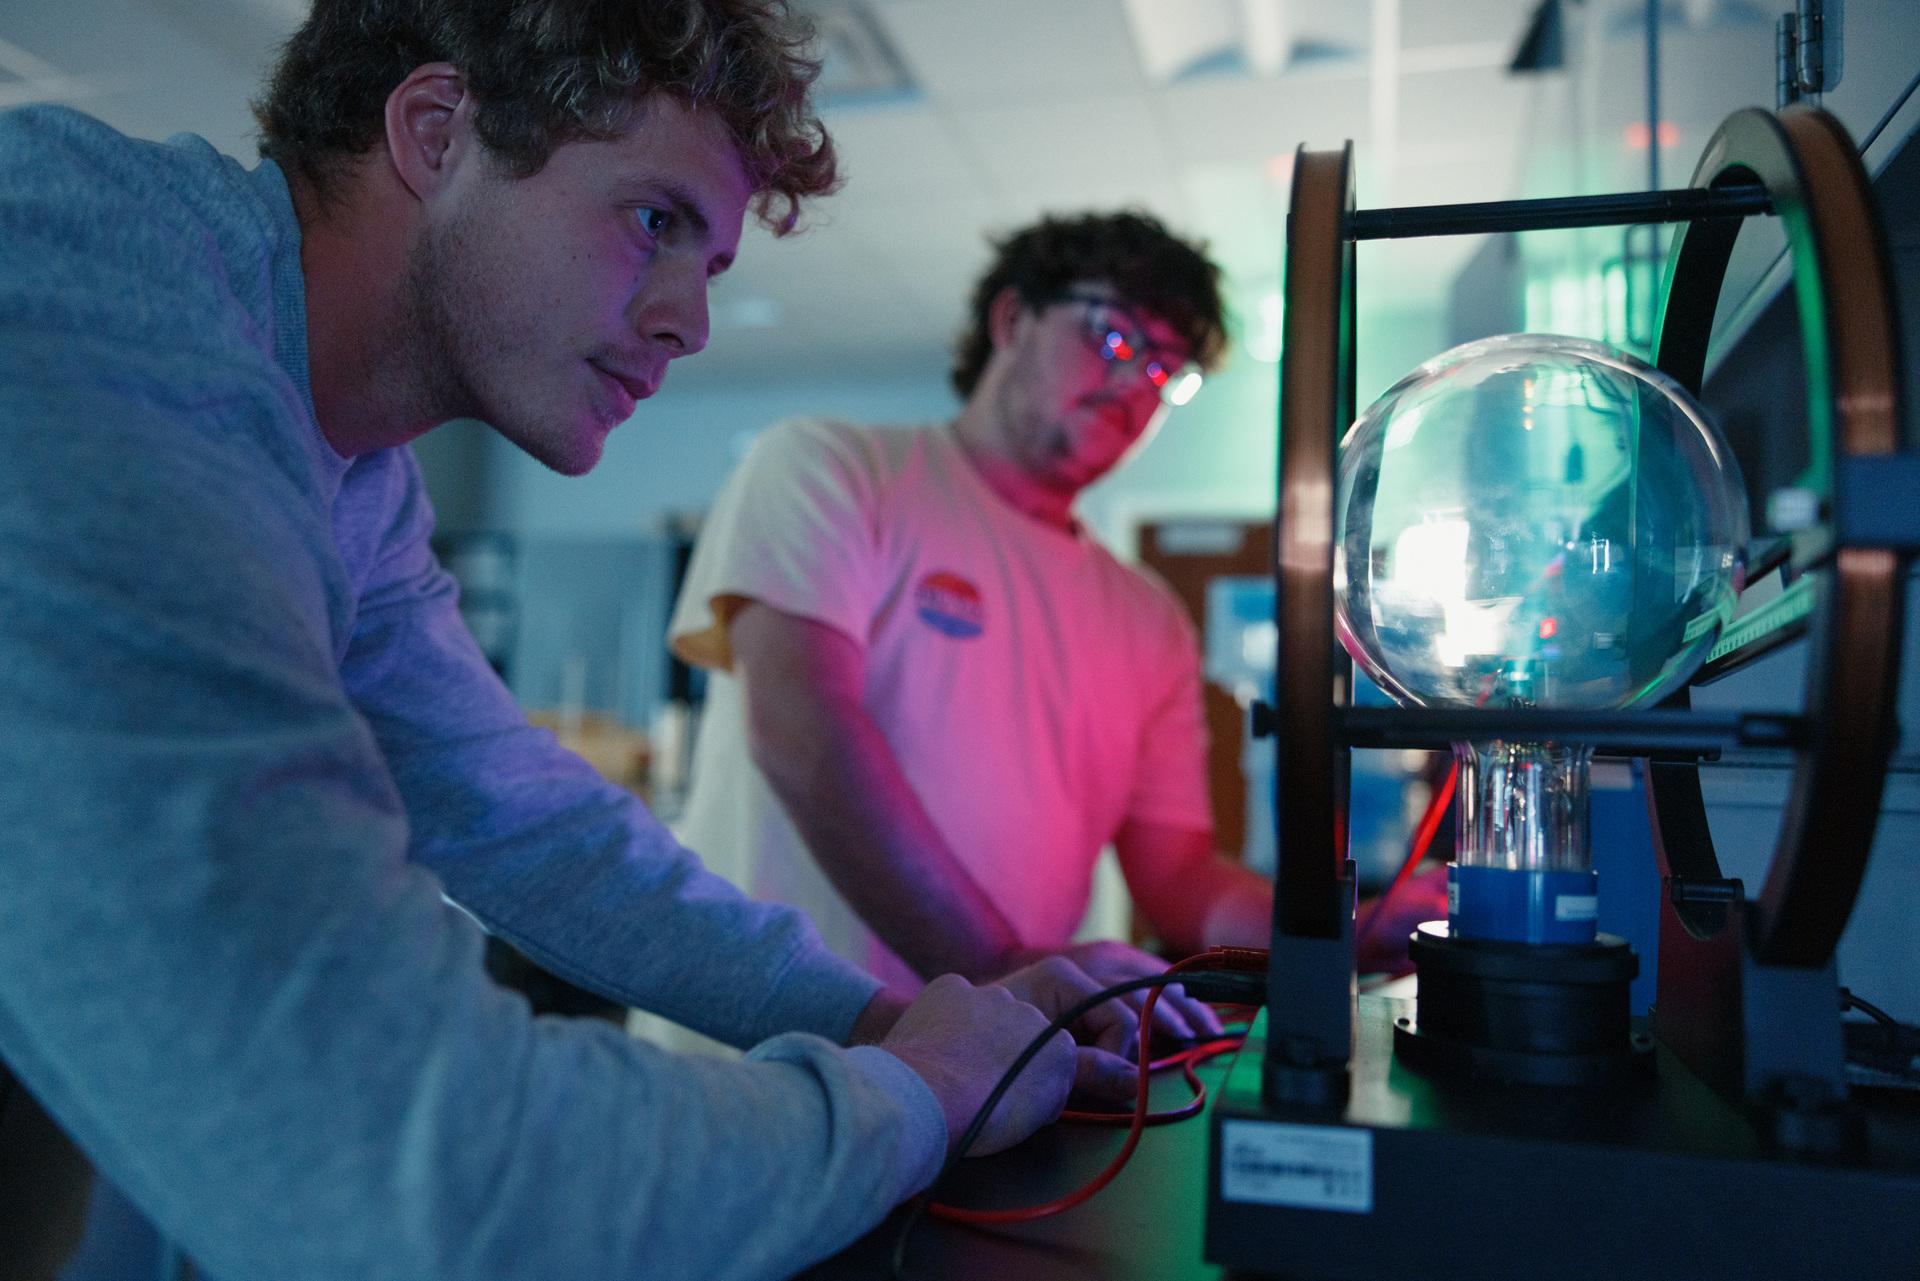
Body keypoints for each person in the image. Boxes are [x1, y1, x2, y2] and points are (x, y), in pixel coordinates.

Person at [0, 3, 1146, 1279]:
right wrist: (910, 1096)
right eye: (656, 222)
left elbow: (529, 825)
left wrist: (899, 1021)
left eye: (709, 268)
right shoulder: (80, 281)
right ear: (438, 134)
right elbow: (422, 1173)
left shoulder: (355, 487)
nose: (689, 323)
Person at [668, 212, 1275, 1028]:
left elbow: (1176, 874)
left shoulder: (1149, 617)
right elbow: (803, 730)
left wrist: (1336, 934)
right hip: (758, 1065)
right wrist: (996, 970)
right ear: (1012, 319)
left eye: (1168, 372)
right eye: (1117, 337)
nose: (1138, 388)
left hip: (986, 1086)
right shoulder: (831, 467)